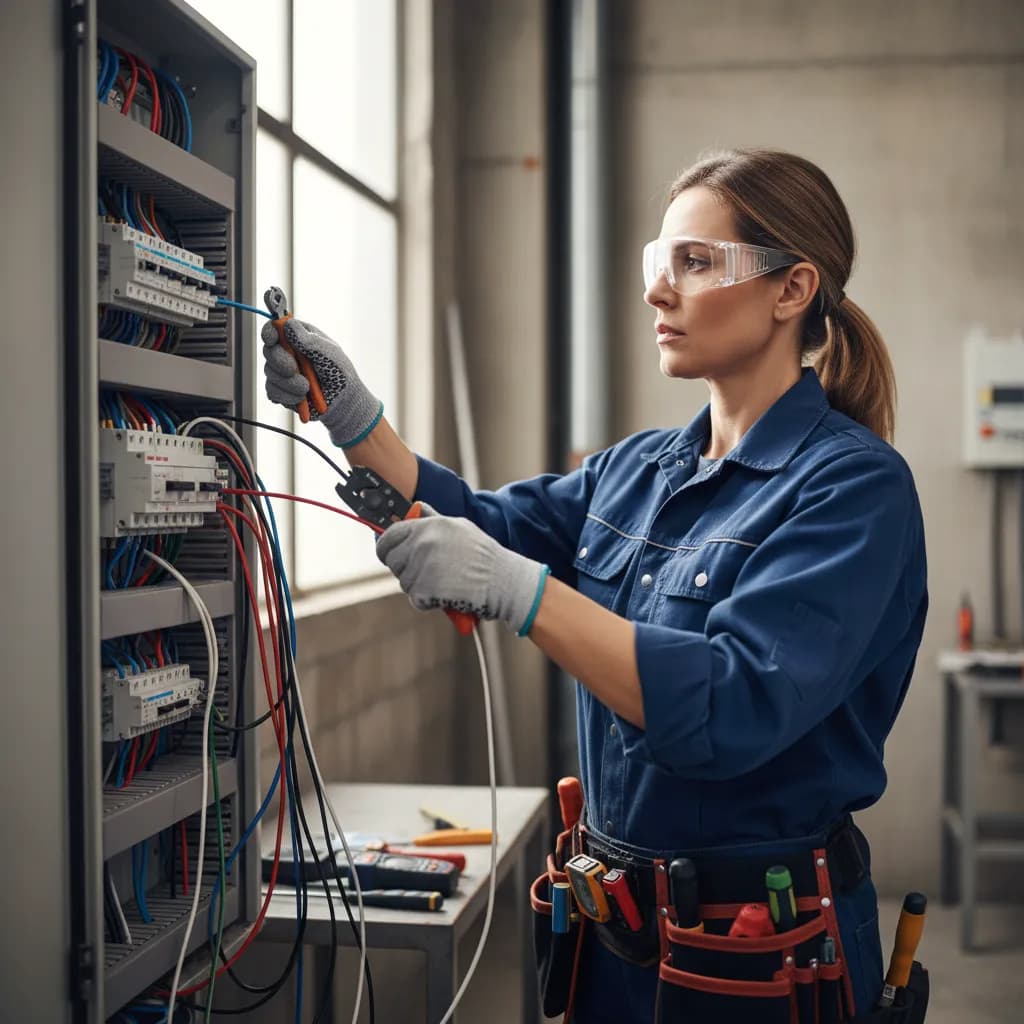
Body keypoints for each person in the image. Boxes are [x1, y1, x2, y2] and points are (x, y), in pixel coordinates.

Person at [261, 148, 928, 1023]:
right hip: (612, 931)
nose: (659, 291)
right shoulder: (638, 470)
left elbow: (731, 706)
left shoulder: (852, 490)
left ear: (792, 289)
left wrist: (528, 595)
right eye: (660, 262)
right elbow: (477, 524)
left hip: (757, 954)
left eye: (695, 263)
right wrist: (351, 413)